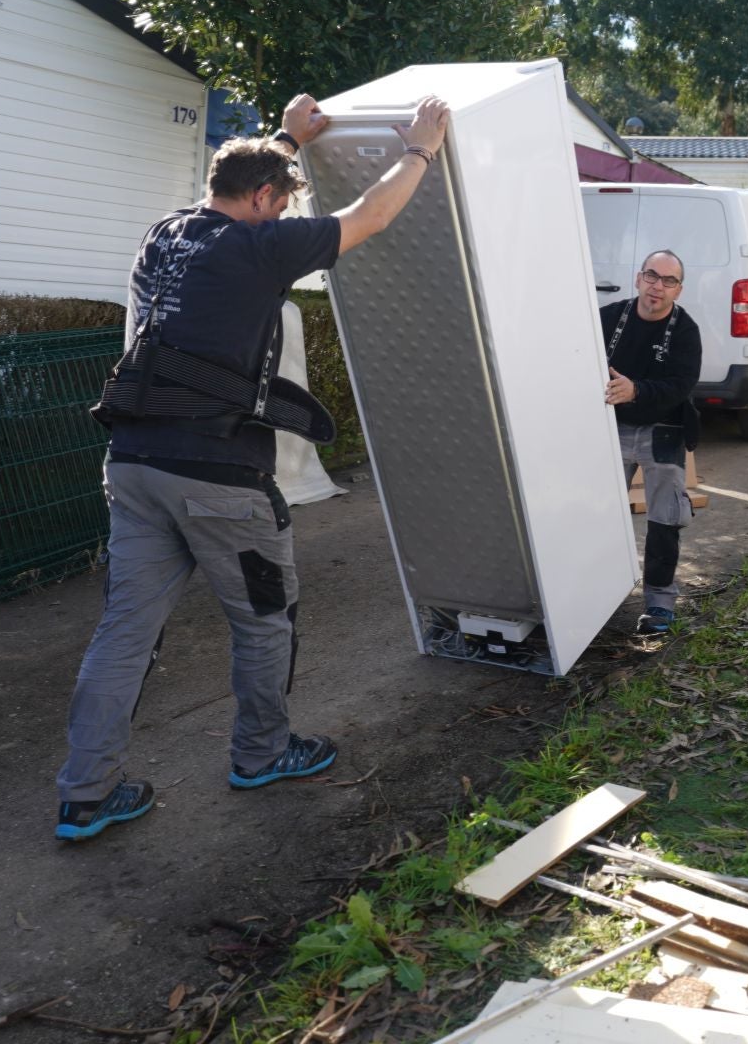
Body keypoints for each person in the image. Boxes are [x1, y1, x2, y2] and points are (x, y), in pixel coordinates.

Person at [54, 93, 451, 841]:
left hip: (134, 468)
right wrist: (421, 149)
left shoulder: (164, 235)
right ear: (265, 200)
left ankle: (84, 793)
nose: (280, 216)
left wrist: (286, 141)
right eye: (278, 202)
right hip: (219, 482)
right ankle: (263, 754)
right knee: (265, 620)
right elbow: (370, 216)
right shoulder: (260, 247)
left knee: (123, 633)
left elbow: (247, 183)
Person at [602, 250, 703, 636]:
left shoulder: (685, 331)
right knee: (597, 512)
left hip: (665, 427)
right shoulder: (609, 318)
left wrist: (637, 391)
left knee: (664, 516)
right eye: (651, 276)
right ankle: (595, 596)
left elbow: (683, 384)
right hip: (611, 425)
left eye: (668, 281)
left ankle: (659, 602)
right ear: (638, 279)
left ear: (679, 289)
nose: (657, 286)